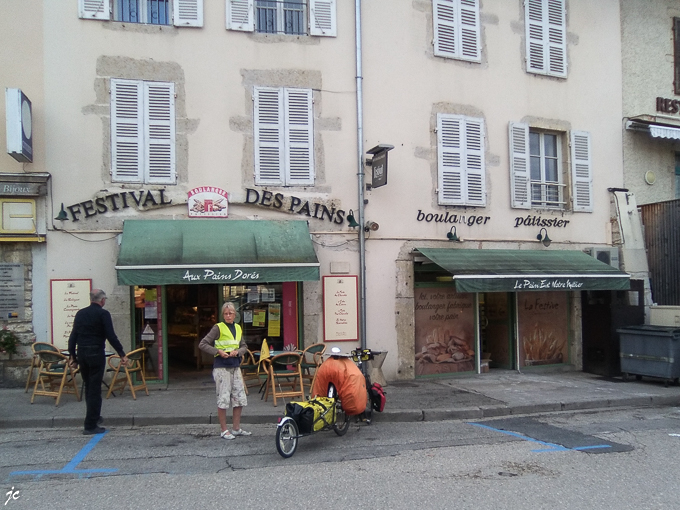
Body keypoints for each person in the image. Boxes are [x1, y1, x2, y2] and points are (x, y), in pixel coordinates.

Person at [68, 289, 128, 435]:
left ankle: (94, 416)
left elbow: (73, 336)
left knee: (89, 386)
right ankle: (90, 425)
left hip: (82, 352)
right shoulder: (103, 314)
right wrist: (122, 354)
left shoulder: (80, 313)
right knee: (95, 389)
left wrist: (73, 357)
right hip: (95, 352)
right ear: (102, 300)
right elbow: (111, 336)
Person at [199, 301, 251, 440]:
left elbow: (244, 346)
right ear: (223, 315)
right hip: (221, 367)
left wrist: (238, 352)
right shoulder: (218, 328)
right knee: (223, 398)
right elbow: (203, 344)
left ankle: (236, 428)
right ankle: (224, 430)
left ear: (235, 315)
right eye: (226, 314)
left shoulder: (238, 328)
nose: (228, 316)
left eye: (230, 313)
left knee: (239, 398)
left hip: (235, 366)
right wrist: (218, 351)